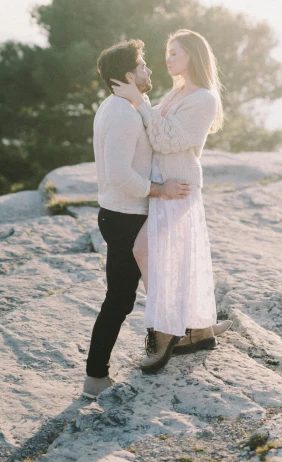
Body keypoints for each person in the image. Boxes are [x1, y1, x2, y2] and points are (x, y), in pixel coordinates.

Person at [112, 28, 227, 374]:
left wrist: (140, 101)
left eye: (175, 52)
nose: (168, 59)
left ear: (192, 55)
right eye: (167, 52)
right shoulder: (177, 92)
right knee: (166, 256)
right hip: (165, 187)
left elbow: (167, 139)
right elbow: (152, 131)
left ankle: (166, 330)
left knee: (145, 251)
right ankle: (197, 329)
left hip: (179, 188)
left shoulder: (204, 98)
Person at [83, 40, 191, 398]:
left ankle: (188, 330)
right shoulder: (123, 114)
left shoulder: (116, 107)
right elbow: (118, 174)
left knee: (134, 290)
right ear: (129, 74)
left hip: (121, 215)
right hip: (124, 217)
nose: (149, 71)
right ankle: (95, 377)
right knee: (119, 299)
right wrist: (161, 190)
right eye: (143, 66)